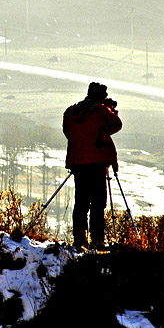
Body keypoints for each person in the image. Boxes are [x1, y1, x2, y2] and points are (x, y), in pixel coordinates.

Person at [62, 82, 122, 249]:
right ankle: (97, 242)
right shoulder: (100, 110)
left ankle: (79, 240)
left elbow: (68, 132)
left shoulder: (71, 111)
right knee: (97, 204)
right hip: (96, 163)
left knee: (81, 203)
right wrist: (110, 110)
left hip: (78, 163)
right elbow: (116, 125)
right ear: (101, 96)